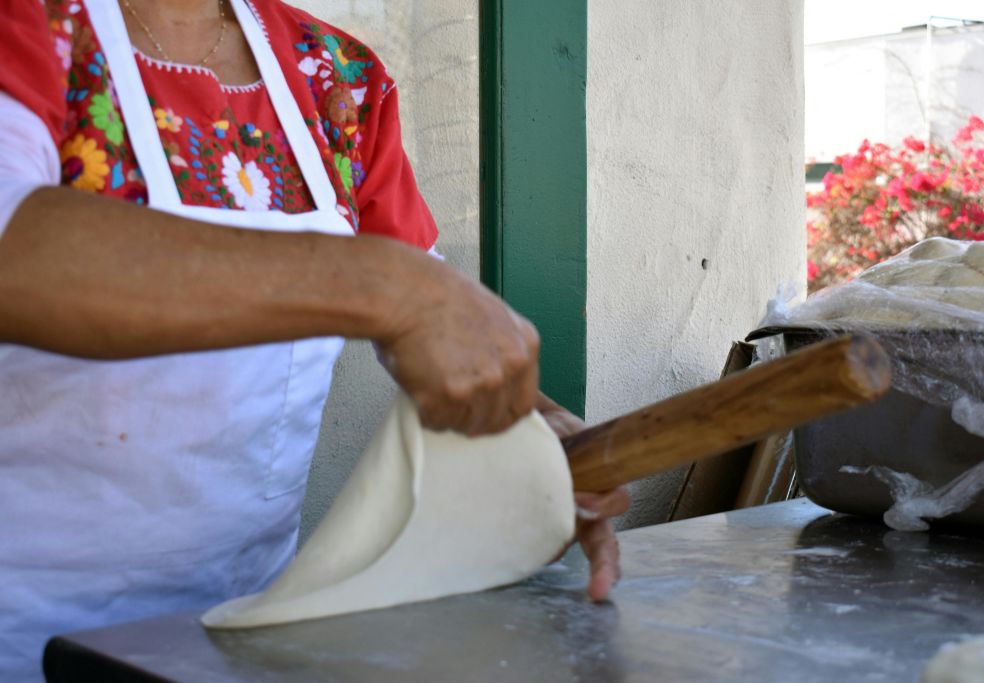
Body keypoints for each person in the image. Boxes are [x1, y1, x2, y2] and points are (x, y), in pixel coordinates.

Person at [0, 1, 629, 680]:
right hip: (20, 634)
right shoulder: (31, 20)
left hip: (232, 635)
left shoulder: (337, 77)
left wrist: (526, 431)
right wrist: (386, 287)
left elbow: (431, 314)